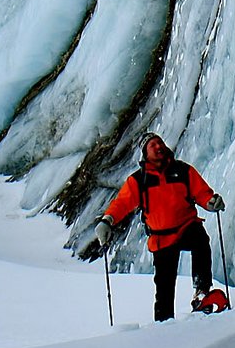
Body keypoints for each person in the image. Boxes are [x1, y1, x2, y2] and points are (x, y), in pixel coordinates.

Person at [78, 132, 225, 321]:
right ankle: (163, 325)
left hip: (186, 225)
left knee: (201, 242)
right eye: (152, 145)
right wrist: (108, 220)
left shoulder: (183, 171)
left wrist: (210, 201)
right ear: (146, 154)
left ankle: (201, 291)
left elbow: (201, 192)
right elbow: (122, 203)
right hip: (161, 238)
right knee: (164, 288)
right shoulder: (139, 180)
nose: (158, 147)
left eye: (160, 143)